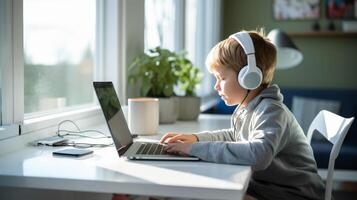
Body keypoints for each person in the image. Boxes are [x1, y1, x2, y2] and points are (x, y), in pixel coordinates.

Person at [160, 30, 325, 200]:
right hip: (269, 188)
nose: (216, 86)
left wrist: (193, 149)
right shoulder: (250, 107)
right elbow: (234, 135)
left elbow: (259, 155)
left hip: (295, 194)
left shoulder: (271, 110)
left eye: (221, 78)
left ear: (249, 77)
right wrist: (196, 139)